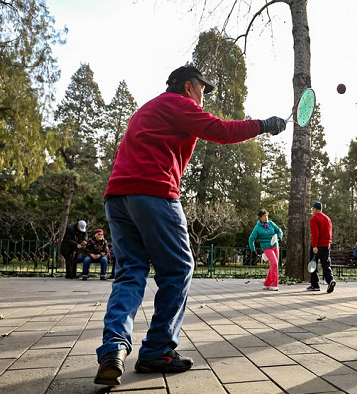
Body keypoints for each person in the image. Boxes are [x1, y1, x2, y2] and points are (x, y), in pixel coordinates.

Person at [94, 65, 287, 386]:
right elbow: (222, 131)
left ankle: (113, 348)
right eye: (202, 89)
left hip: (117, 196)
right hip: (152, 191)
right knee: (179, 268)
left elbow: (122, 152)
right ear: (188, 86)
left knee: (129, 273)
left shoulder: (147, 108)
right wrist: (264, 125)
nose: (203, 96)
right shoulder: (180, 104)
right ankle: (157, 349)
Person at [248, 209, 283, 291]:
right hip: (266, 247)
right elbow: (251, 239)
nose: (266, 217)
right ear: (260, 218)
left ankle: (267, 283)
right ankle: (274, 285)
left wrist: (280, 236)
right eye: (264, 216)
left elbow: (279, 230)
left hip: (275, 245)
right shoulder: (257, 228)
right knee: (274, 263)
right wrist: (253, 250)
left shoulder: (271, 223)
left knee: (273, 265)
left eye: (267, 215)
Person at [307, 201, 336, 293]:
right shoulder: (327, 218)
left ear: (315, 209)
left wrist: (314, 246)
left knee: (313, 264)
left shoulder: (314, 218)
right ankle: (330, 280)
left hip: (317, 245)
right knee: (326, 264)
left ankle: (315, 285)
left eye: (312, 209)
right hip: (326, 245)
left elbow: (315, 233)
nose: (312, 210)